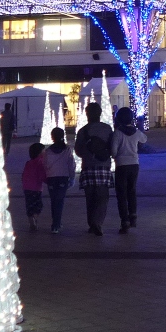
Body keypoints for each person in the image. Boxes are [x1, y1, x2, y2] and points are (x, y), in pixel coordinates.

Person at [74, 101, 113, 236]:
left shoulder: (82, 131)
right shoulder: (107, 129)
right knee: (102, 197)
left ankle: (92, 223)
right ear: (100, 114)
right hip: (103, 167)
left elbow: (78, 150)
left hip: (88, 167)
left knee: (90, 198)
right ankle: (98, 223)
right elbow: (112, 148)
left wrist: (88, 154)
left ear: (87, 114)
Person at [110, 106, 146, 233]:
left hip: (121, 165)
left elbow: (113, 151)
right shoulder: (135, 132)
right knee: (132, 191)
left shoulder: (118, 133)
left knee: (121, 194)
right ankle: (133, 216)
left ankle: (124, 221)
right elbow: (144, 139)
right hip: (134, 164)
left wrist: (115, 155)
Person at [43, 127, 75, 234]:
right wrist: (72, 177)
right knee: (59, 201)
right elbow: (71, 165)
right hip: (63, 178)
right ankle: (56, 224)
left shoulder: (48, 151)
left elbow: (45, 165)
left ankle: (55, 222)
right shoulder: (67, 150)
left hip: (51, 178)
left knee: (53, 200)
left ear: (52, 137)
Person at [21, 142, 47, 232]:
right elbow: (42, 175)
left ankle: (31, 219)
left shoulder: (28, 163)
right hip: (36, 188)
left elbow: (24, 174)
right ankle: (34, 218)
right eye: (44, 151)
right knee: (38, 205)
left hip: (27, 187)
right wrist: (48, 181)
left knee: (29, 205)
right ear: (39, 153)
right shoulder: (40, 162)